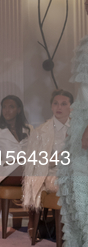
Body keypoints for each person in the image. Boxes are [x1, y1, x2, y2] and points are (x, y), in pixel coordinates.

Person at [56, 0, 88, 247]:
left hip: (86, 126)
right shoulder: (85, 43)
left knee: (82, 190)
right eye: (87, 2)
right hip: (80, 123)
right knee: (74, 194)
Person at [22, 89, 72, 239]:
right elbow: (36, 162)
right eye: (56, 103)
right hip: (51, 175)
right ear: (51, 106)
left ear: (71, 107)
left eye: (64, 104)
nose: (59, 107)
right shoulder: (40, 131)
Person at [0, 95, 32, 186]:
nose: (6, 110)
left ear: (19, 110)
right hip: (8, 171)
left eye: (11, 107)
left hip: (27, 168)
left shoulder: (27, 130)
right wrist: (9, 162)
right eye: (4, 107)